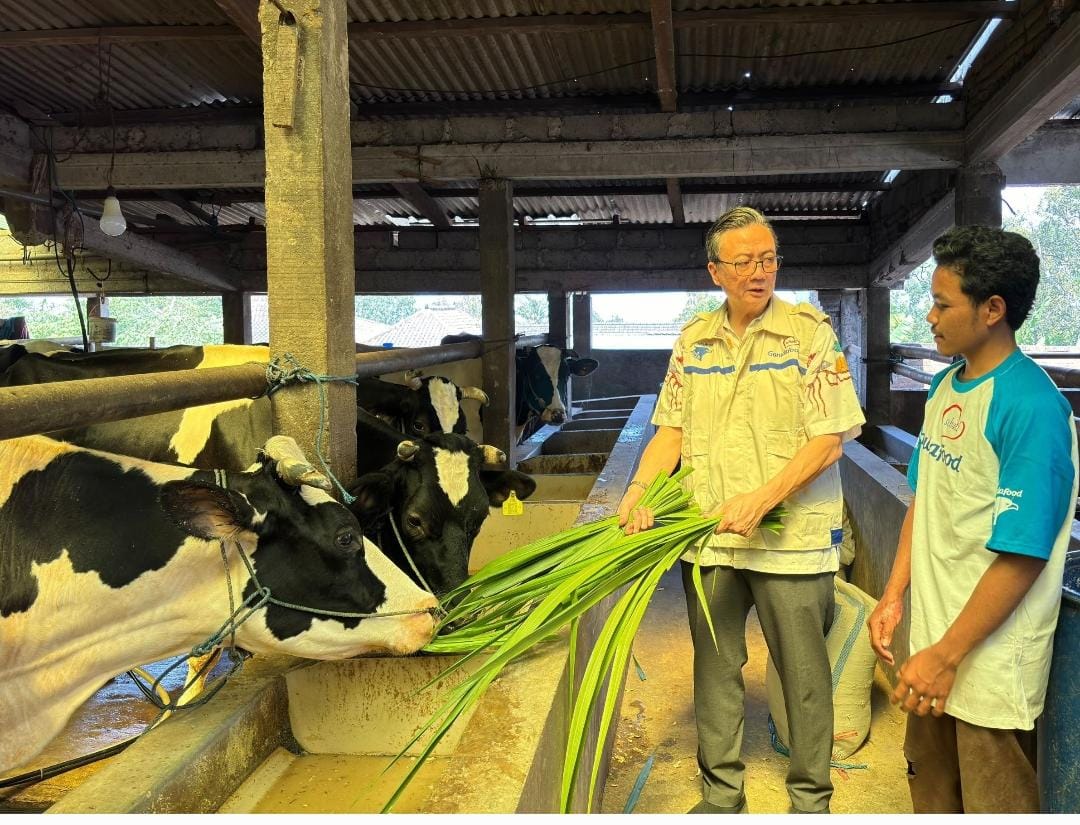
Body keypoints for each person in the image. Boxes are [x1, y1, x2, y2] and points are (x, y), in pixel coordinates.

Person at [617, 207, 865, 814]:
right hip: (713, 538)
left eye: (769, 259)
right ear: (715, 272)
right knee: (716, 672)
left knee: (804, 678)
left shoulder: (808, 334)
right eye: (745, 261)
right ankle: (721, 797)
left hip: (793, 540)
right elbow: (670, 430)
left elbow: (830, 438)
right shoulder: (693, 342)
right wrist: (638, 490)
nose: (760, 271)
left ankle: (811, 799)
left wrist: (762, 498)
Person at [867, 225, 1079, 813]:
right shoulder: (944, 388)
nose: (930, 317)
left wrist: (948, 654)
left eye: (942, 303)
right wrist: (893, 596)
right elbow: (924, 502)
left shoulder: (1031, 407)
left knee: (994, 802)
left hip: (983, 664)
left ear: (992, 309)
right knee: (932, 793)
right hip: (933, 652)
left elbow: (1023, 553)